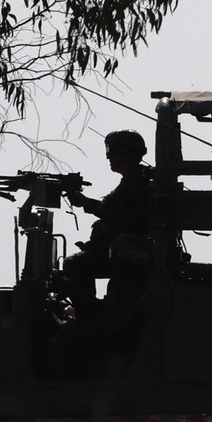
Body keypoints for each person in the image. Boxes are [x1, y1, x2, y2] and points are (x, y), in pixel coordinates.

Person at [60, 130, 152, 320]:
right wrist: (86, 203)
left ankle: (89, 315)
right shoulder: (135, 180)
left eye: (114, 152)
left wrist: (87, 203)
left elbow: (115, 212)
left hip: (126, 251)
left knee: (74, 265)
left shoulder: (135, 183)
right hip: (119, 248)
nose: (109, 157)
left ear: (127, 154)